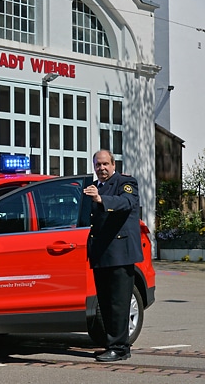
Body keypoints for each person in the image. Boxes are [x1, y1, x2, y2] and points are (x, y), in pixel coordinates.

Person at [83, 149, 143, 362]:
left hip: (120, 253)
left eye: (105, 164)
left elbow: (126, 203)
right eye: (98, 165)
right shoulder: (94, 186)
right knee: (106, 302)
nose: (102, 168)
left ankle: (120, 348)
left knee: (118, 303)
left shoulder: (126, 183)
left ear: (113, 165)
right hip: (101, 253)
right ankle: (111, 344)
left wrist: (100, 198)